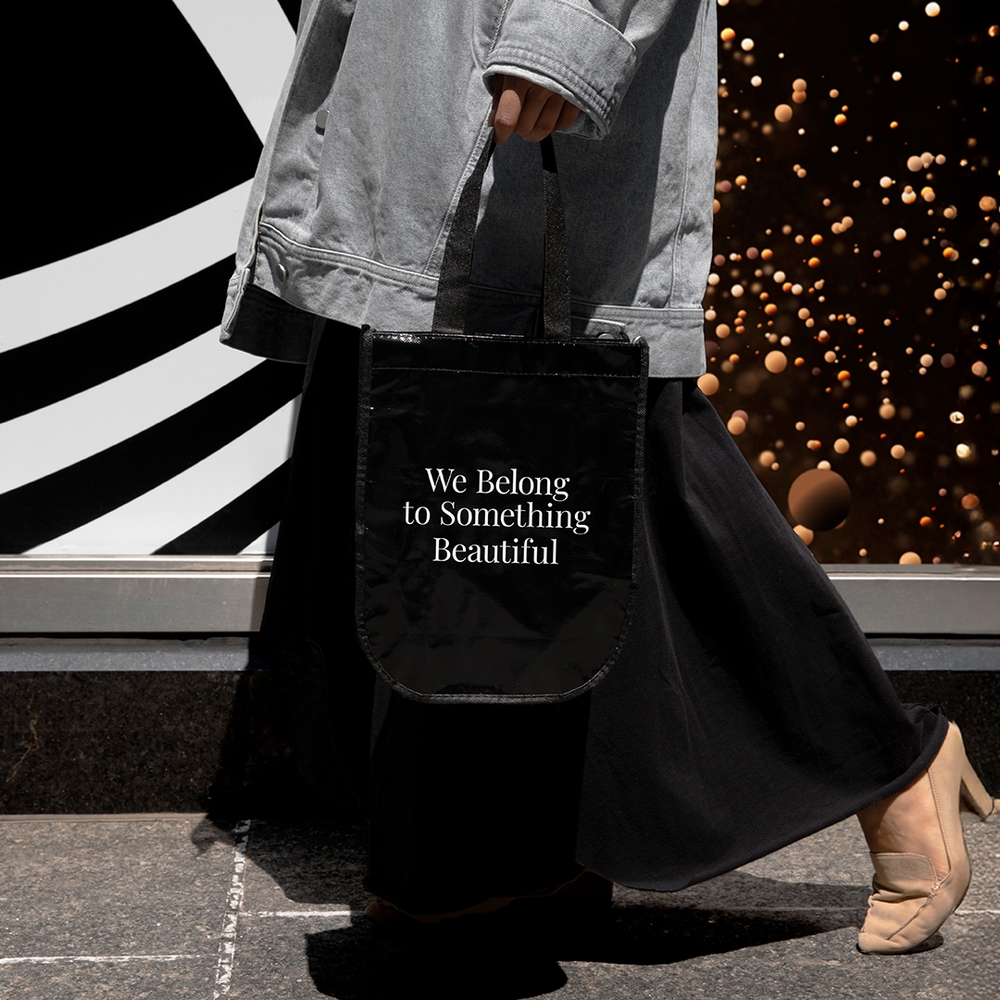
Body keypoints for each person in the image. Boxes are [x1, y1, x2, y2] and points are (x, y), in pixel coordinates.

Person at [221, 0, 996, 953]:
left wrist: (570, 28)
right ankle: (511, 858)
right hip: (412, 62)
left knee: (590, 437)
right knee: (455, 437)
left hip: (508, 50)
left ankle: (887, 760)